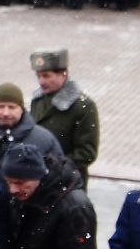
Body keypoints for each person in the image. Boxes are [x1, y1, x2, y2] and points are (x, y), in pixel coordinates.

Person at [0, 81, 64, 185]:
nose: (6, 113)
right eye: (0, 107)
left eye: (12, 107)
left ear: (22, 109)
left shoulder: (45, 140)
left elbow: (58, 179)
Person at [27, 48, 99, 183]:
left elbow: (86, 154)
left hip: (67, 183)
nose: (41, 81)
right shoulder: (38, 100)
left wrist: (52, 166)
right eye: (38, 76)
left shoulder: (83, 106)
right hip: (38, 180)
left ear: (63, 74)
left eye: (46, 76)